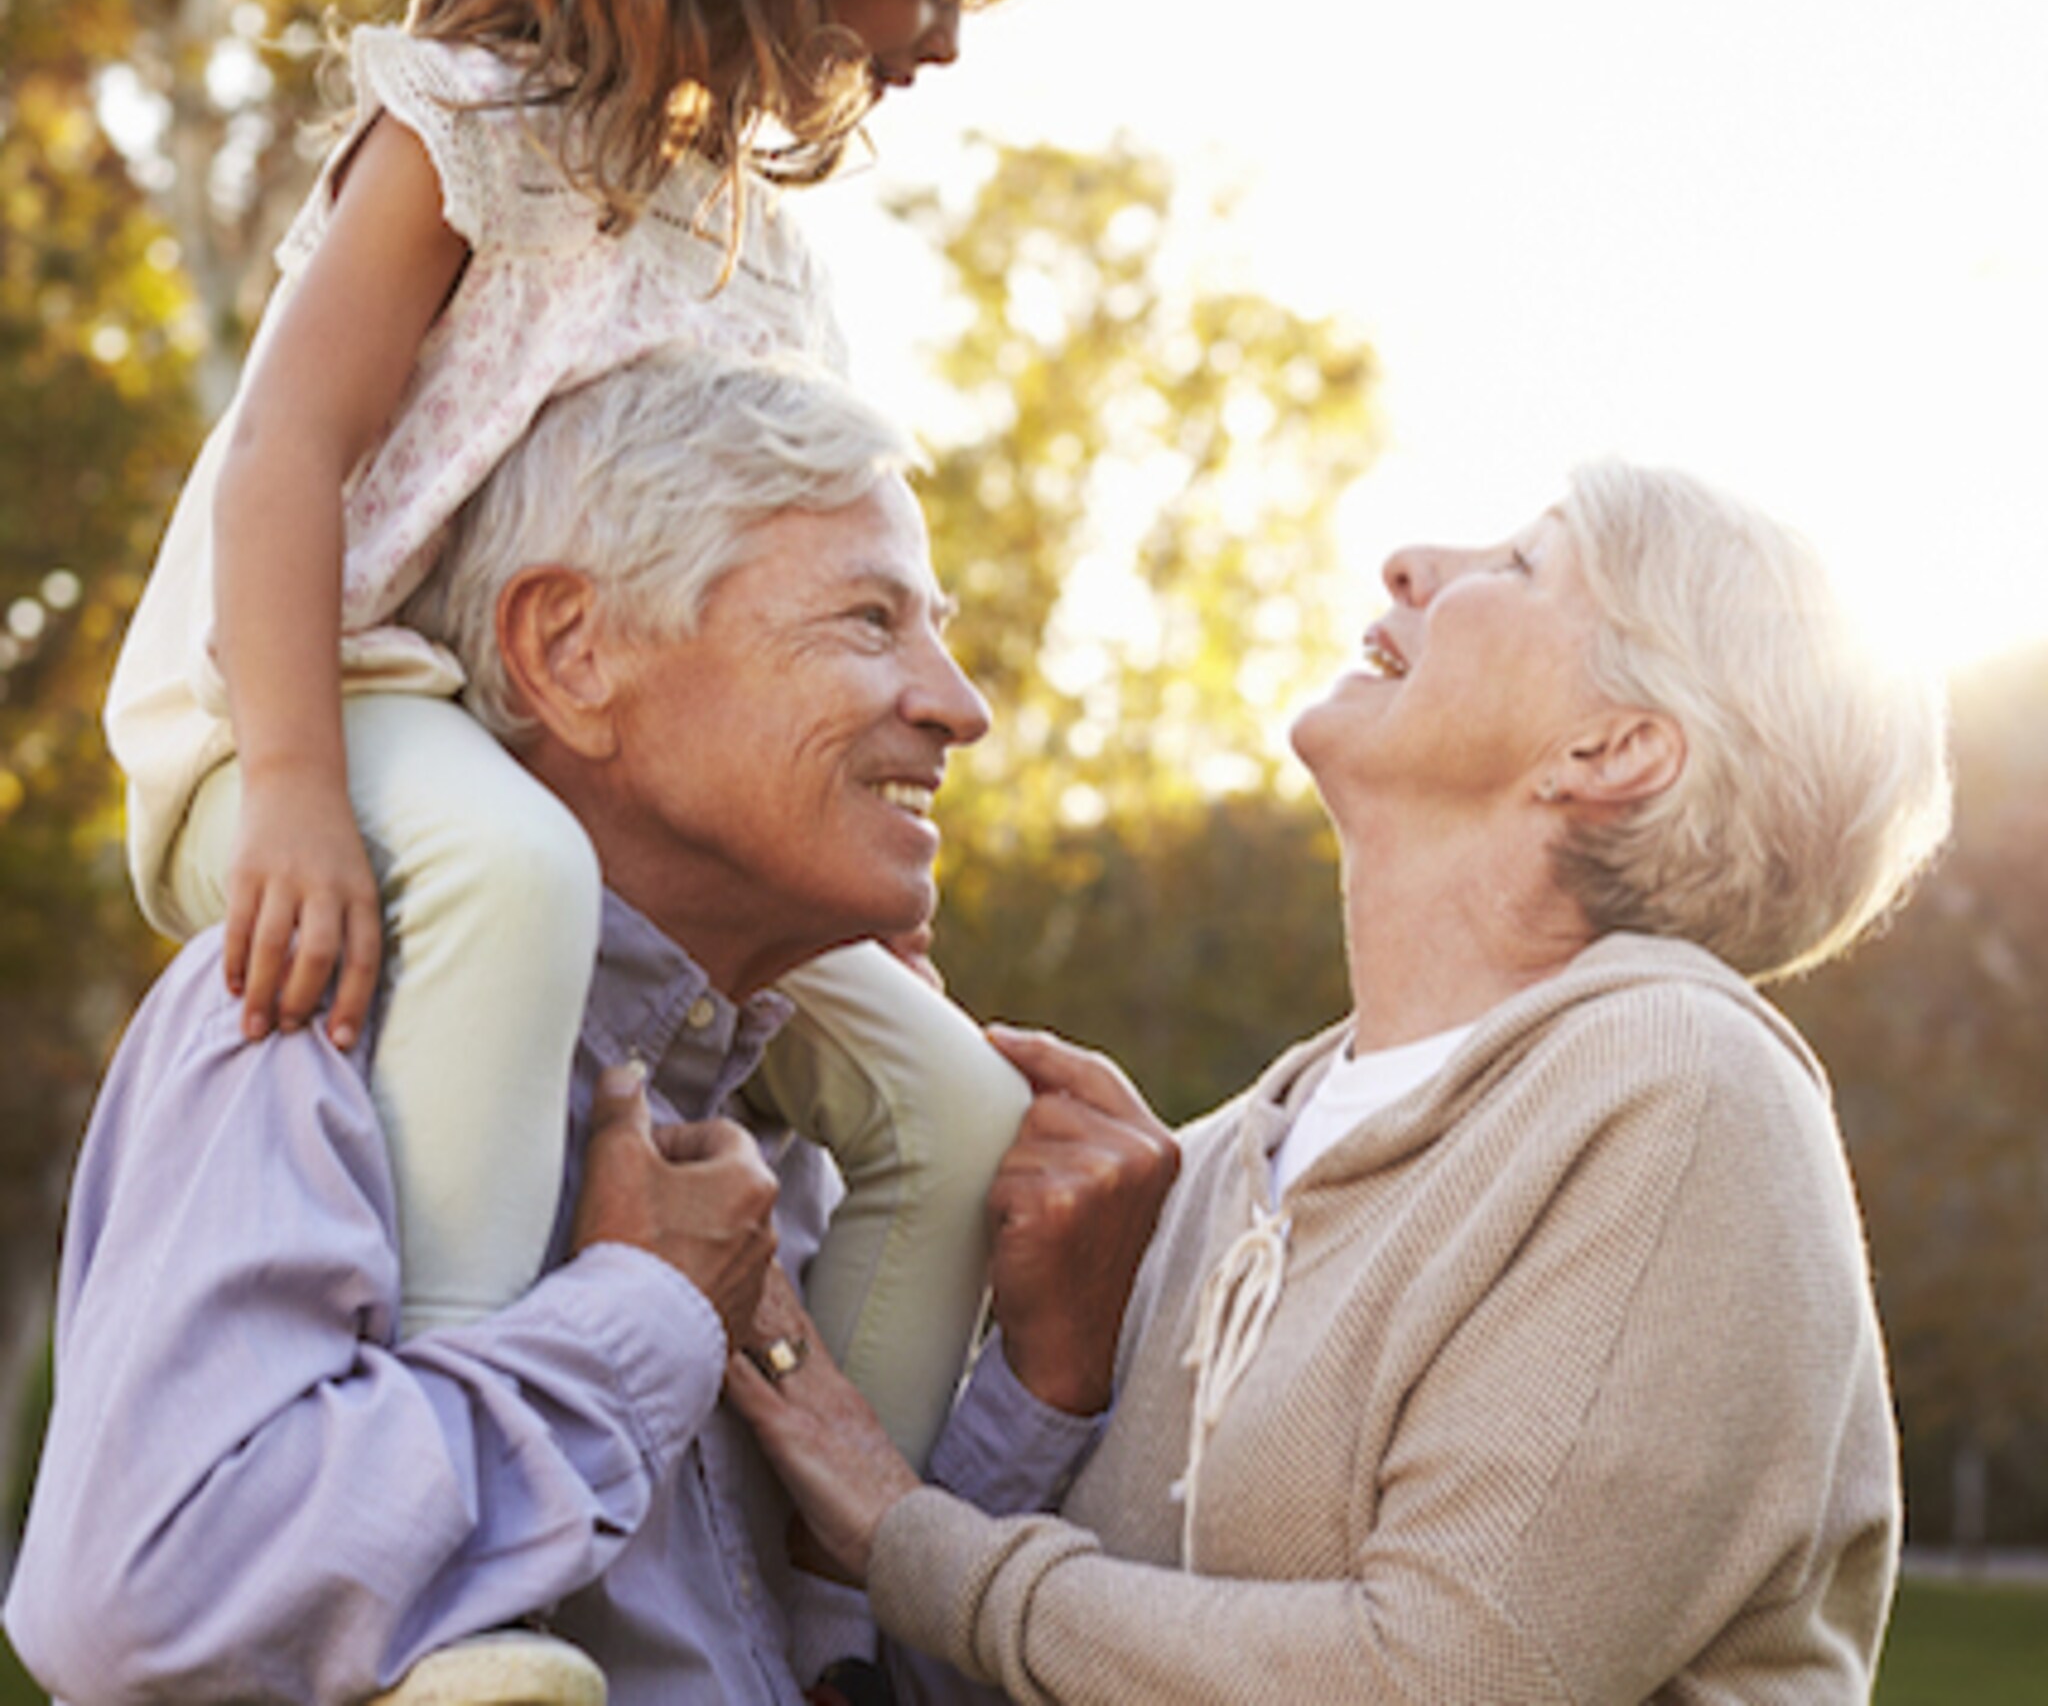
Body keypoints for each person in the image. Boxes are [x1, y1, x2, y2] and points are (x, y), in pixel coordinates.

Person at [103, 0, 1052, 1467]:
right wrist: (294, 785)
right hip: (324, 682)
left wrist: (844, 836)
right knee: (511, 876)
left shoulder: (752, 241)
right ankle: (448, 1522)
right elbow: (285, 454)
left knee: (951, 1094)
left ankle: (838, 1581)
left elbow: (771, 564)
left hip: (556, 732)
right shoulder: (469, 122)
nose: (937, 36)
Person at [7, 348, 1178, 1706]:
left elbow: (837, 1682)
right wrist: (642, 1315)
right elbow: (150, 1600)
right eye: (870, 622)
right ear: (572, 652)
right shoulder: (302, 1023)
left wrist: (1048, 1378)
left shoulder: (788, 1142)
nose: (958, 705)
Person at [728, 460, 1954, 1705]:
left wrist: (897, 1528)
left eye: (1522, 564)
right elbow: (1001, 1668)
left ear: (1612, 747)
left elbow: (1437, 1674)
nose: (1412, 561)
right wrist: (1047, 1349)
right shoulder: (1218, 1160)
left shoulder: (1682, 1088)